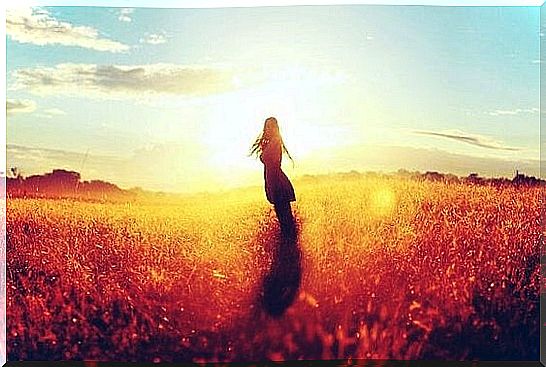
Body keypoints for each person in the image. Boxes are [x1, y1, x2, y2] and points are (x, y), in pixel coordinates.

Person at [250, 117, 296, 239]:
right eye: (267, 126)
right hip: (273, 181)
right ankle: (289, 245)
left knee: (285, 220)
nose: (268, 129)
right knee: (284, 219)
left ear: (276, 128)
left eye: (271, 126)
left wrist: (263, 150)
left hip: (277, 182)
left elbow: (264, 157)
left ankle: (291, 245)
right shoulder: (272, 141)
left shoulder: (275, 140)